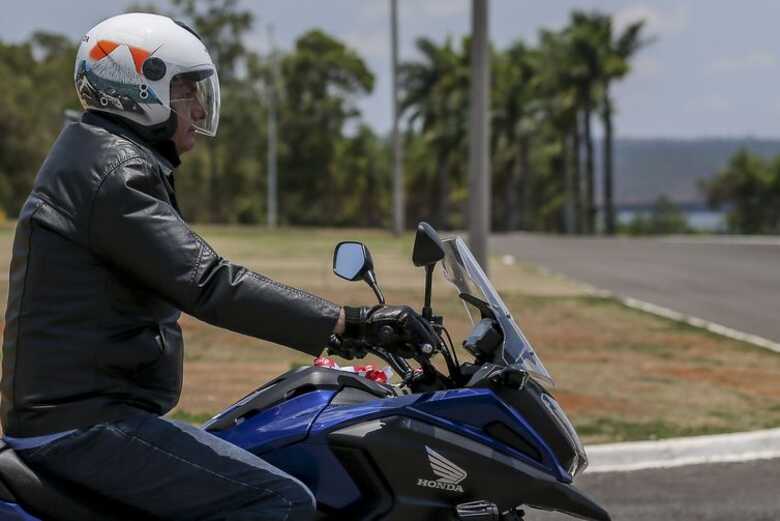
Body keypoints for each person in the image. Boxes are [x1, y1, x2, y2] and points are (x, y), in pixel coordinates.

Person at [0, 13, 435, 521]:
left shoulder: (97, 155)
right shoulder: (115, 174)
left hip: (81, 415)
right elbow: (210, 284)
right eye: (186, 91)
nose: (199, 108)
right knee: (282, 501)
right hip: (83, 426)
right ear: (139, 90)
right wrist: (347, 324)